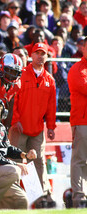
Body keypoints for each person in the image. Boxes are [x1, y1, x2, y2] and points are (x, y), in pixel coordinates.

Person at [10, 42, 57, 208]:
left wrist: (51, 126)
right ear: (31, 56)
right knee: (16, 160)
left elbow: (52, 106)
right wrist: (15, 120)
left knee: (38, 162)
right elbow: (13, 99)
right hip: (19, 128)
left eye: (43, 53)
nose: (40, 56)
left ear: (46, 56)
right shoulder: (21, 74)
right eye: (37, 53)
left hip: (37, 129)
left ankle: (40, 199)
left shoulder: (50, 80)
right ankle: (13, 197)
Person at [68, 36, 87, 208]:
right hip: (82, 121)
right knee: (79, 159)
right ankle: (79, 196)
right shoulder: (77, 69)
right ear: (83, 48)